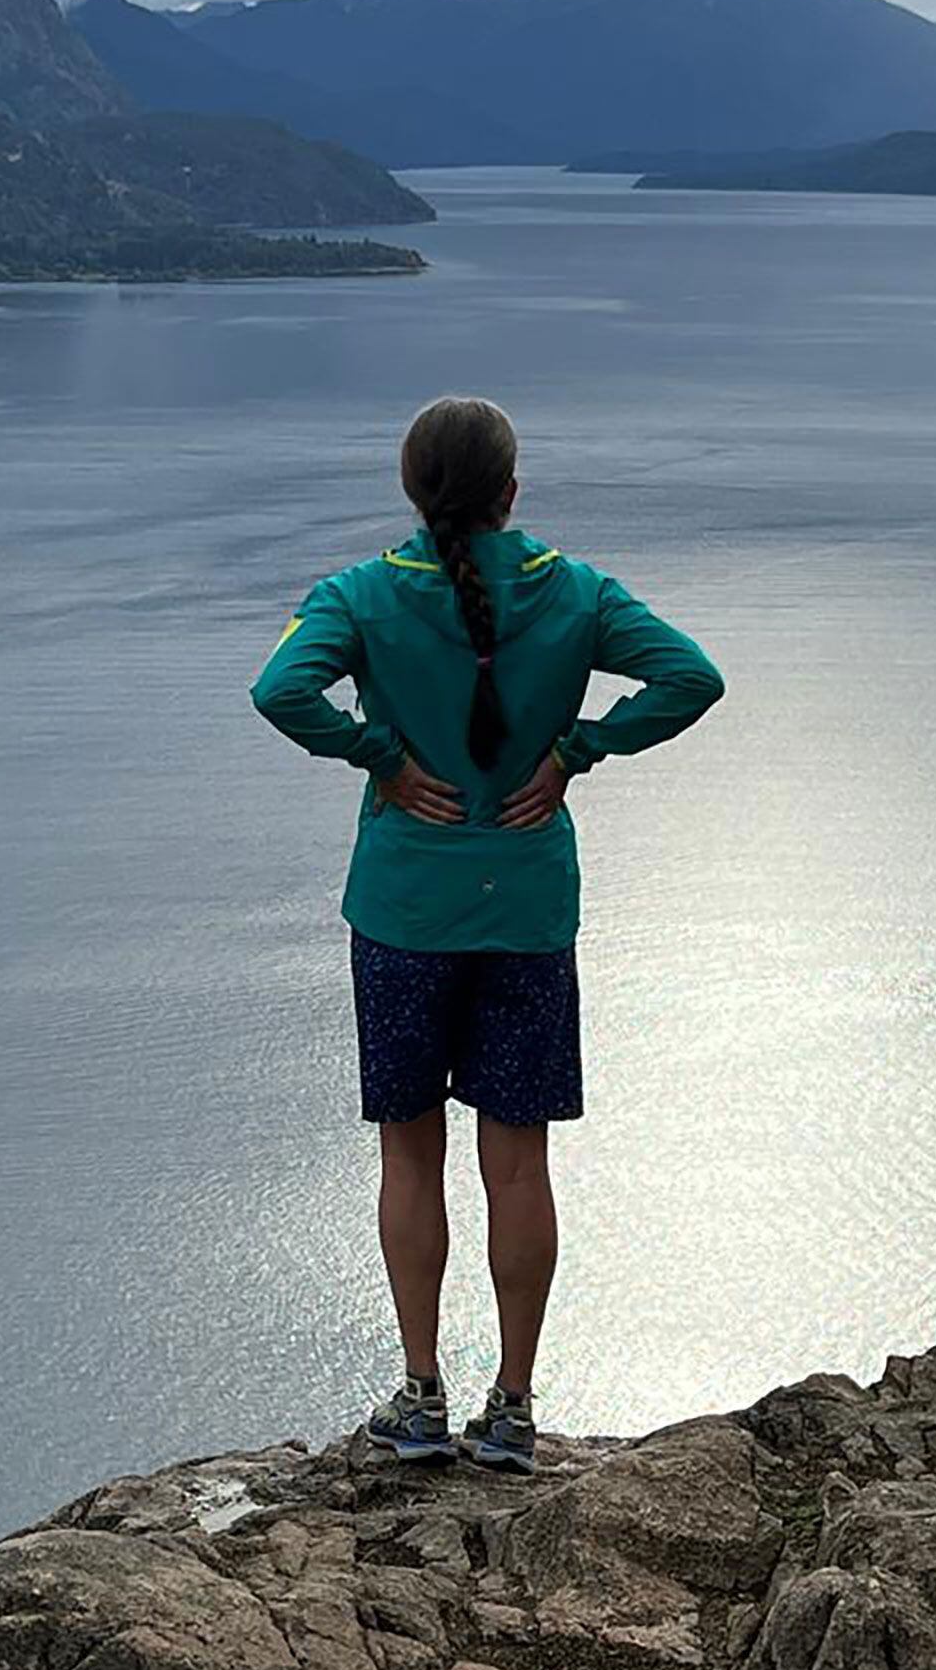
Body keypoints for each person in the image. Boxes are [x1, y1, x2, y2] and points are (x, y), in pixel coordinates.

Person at [249, 395, 725, 1471]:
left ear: (414, 491)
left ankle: (420, 1397)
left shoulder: (363, 593)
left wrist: (375, 753)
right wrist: (579, 751)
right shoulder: (578, 591)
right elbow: (695, 676)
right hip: (523, 910)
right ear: (513, 491)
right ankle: (512, 1406)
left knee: (410, 1154)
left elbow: (279, 688)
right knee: (518, 1164)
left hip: (403, 909)